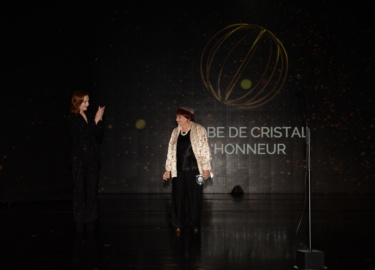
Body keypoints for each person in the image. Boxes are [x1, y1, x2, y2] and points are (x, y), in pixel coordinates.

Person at [163, 107, 213, 234]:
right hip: (178, 170)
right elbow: (170, 152)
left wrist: (206, 167)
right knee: (177, 198)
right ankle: (177, 224)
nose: (177, 120)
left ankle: (194, 224)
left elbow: (205, 149)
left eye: (179, 117)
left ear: (188, 118)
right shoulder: (175, 132)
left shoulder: (199, 129)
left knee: (195, 197)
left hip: (196, 171)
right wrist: (168, 169)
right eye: (176, 117)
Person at [67, 90, 105, 233]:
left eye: (88, 101)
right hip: (79, 160)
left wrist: (98, 120)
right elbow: (82, 135)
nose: (88, 104)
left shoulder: (88, 116)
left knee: (91, 190)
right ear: (77, 102)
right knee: (79, 190)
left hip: (92, 160)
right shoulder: (72, 118)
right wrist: (95, 120)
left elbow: (98, 134)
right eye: (84, 102)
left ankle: (91, 219)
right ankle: (79, 220)